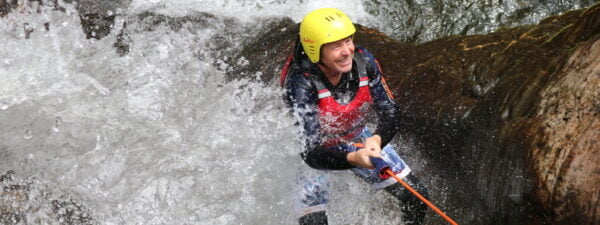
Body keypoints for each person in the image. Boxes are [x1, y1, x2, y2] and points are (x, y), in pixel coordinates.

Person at [281, 8, 429, 225]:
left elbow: (390, 110)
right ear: (315, 50)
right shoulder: (301, 83)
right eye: (336, 46)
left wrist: (376, 139)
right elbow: (310, 152)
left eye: (348, 41)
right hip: (319, 151)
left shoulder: (364, 62)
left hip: (358, 138)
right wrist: (353, 159)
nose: (347, 51)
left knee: (417, 199)